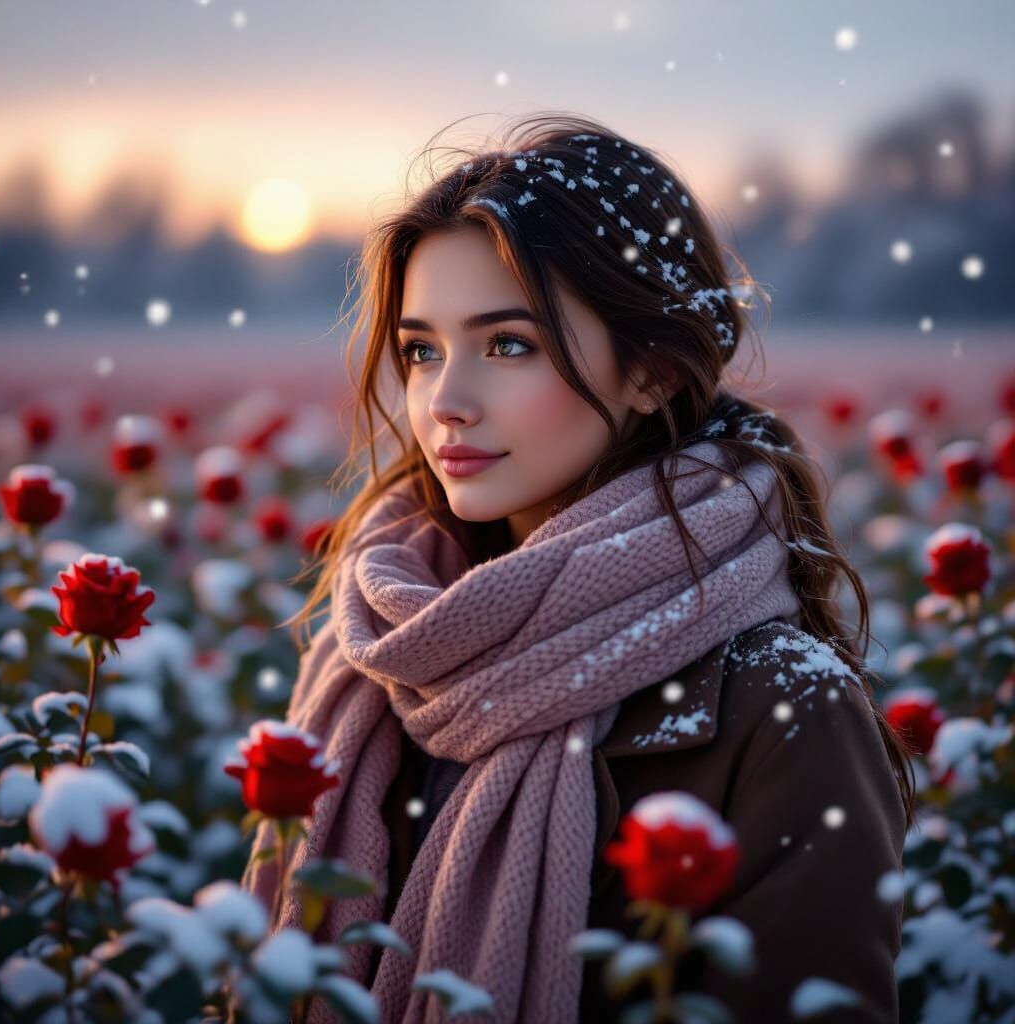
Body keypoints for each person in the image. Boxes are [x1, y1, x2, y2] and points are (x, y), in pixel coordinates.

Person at [244, 111, 915, 1024]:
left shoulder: (786, 709)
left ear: (653, 371)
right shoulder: (386, 649)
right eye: (421, 350)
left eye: (508, 345)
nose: (446, 401)